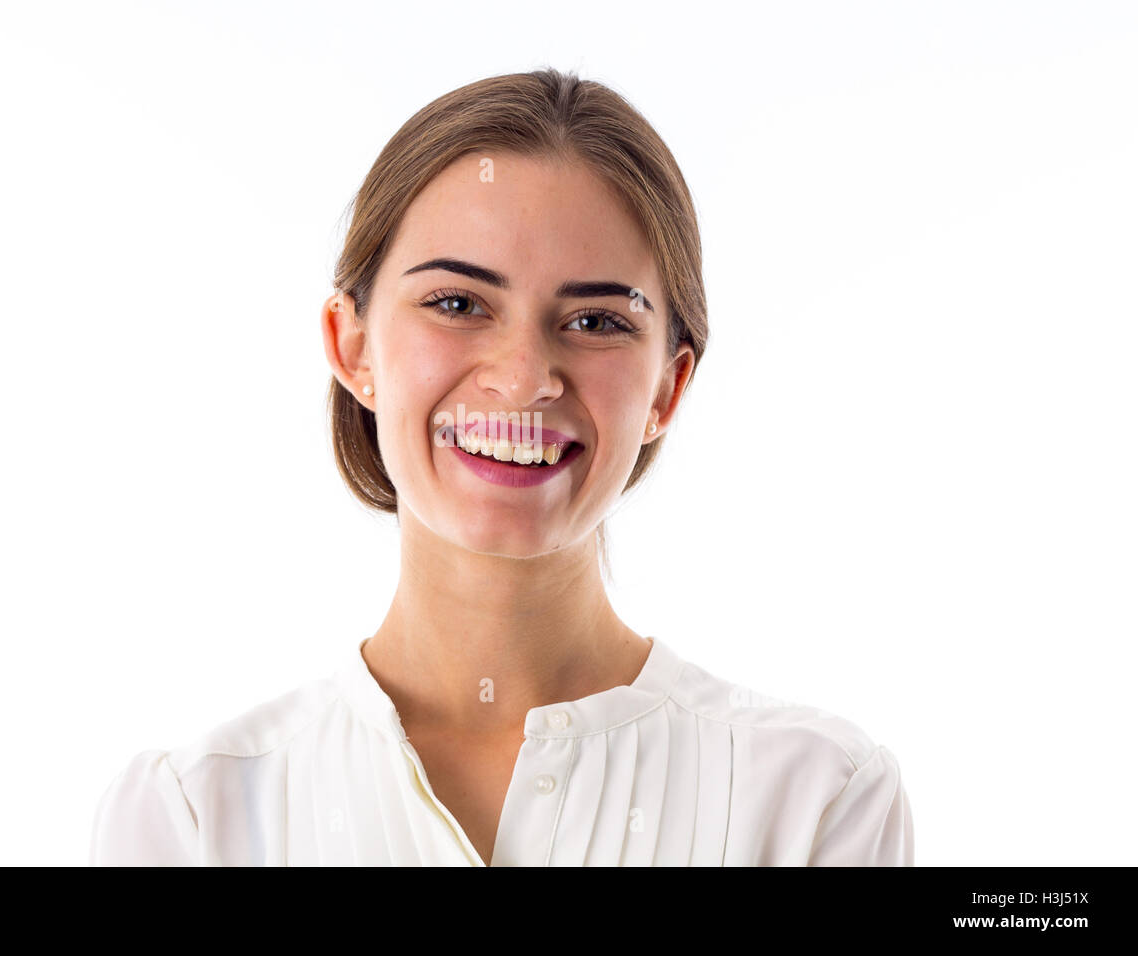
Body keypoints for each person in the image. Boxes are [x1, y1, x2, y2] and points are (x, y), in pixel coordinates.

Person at [89, 67, 914, 867]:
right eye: (456, 304)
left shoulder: (815, 802)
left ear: (668, 385)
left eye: (595, 319)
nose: (523, 378)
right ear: (353, 345)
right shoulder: (192, 819)